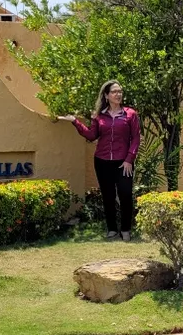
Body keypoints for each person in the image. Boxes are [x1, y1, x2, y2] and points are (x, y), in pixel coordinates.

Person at [59, 80, 141, 241]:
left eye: (120, 91)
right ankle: (112, 229)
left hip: (124, 162)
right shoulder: (99, 116)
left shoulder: (130, 114)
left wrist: (129, 159)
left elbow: (136, 138)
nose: (118, 94)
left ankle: (125, 229)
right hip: (102, 161)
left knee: (125, 193)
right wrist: (75, 121)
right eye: (114, 92)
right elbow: (91, 135)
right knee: (108, 195)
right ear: (106, 95)